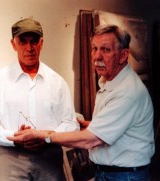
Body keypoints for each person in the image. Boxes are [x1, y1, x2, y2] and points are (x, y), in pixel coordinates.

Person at [8, 24, 155, 181]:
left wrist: (44, 136)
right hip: (111, 173)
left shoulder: (127, 92)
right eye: (94, 49)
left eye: (105, 50)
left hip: (125, 176)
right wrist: (92, 125)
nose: (97, 56)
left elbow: (91, 140)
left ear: (123, 55)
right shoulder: (111, 82)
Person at [0, 17, 79, 181]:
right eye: (23, 41)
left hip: (49, 158)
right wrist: (16, 138)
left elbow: (71, 124)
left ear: (42, 43)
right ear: (13, 44)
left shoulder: (57, 82)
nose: (29, 48)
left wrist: (45, 136)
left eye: (34, 41)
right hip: (10, 158)